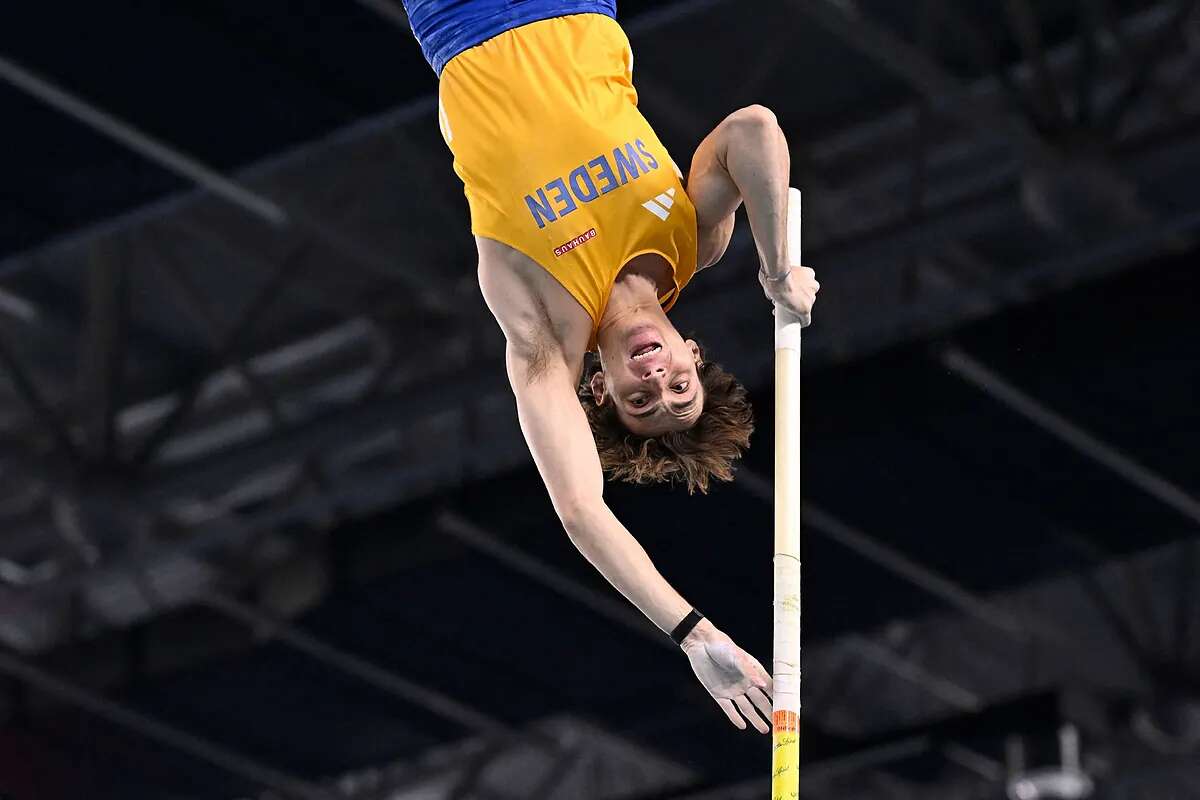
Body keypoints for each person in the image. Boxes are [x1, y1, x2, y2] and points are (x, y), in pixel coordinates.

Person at [402, 0, 819, 734]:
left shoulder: (544, 336)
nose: (658, 383)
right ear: (692, 352)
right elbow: (753, 129)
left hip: (461, 18)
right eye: (679, 388)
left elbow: (579, 509)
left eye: (641, 401)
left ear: (601, 388)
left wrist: (695, 634)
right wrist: (779, 268)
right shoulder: (694, 239)